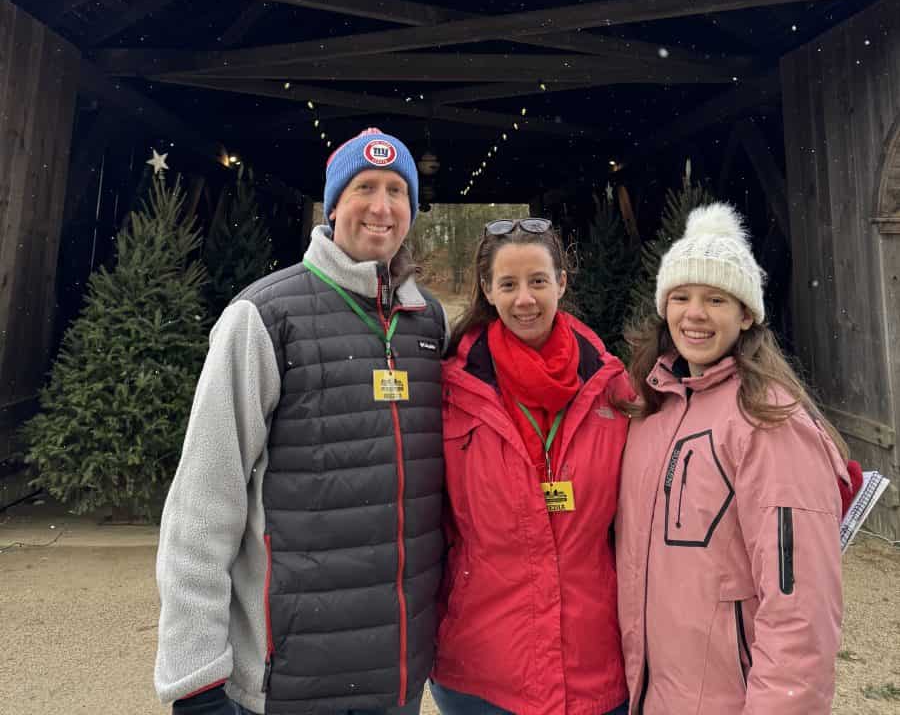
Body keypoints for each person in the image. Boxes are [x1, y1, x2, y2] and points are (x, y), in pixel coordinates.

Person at [155, 129, 448, 715]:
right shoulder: (263, 316)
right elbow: (203, 501)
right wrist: (193, 676)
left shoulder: (427, 322)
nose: (381, 206)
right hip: (288, 682)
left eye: (397, 191)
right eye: (364, 187)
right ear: (333, 204)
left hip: (395, 682)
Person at [615, 203, 849, 715]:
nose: (694, 314)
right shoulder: (650, 409)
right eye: (681, 297)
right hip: (654, 696)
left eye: (716, 299)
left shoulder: (771, 423)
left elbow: (801, 611)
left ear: (746, 315)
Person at [431, 217, 631, 715]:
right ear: (487, 291)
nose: (525, 299)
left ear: (561, 282)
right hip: (483, 665)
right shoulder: (451, 391)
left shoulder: (612, 389)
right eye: (509, 284)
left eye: (538, 281)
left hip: (592, 662)